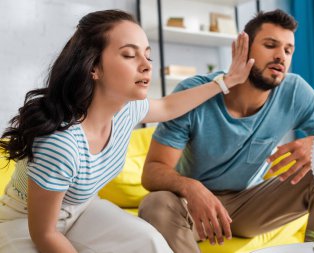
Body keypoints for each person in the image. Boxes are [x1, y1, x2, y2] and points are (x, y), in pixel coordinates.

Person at [0, 9, 254, 253]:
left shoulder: (126, 110)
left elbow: (168, 106)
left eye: (148, 55)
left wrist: (226, 82)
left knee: (150, 243)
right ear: (93, 68)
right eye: (130, 55)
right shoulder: (61, 143)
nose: (146, 65)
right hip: (27, 220)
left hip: (83, 209)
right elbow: (44, 233)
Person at [138, 9, 314, 253]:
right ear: (244, 48)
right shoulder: (196, 92)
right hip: (195, 209)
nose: (280, 56)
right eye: (270, 45)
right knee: (155, 204)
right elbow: (152, 172)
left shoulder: (295, 92)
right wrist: (191, 187)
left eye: (287, 50)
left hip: (252, 204)